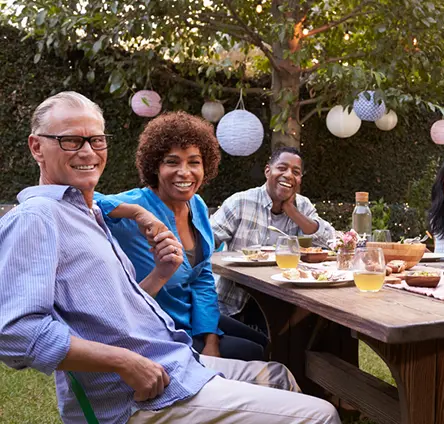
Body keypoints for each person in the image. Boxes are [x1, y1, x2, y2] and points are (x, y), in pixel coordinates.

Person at [0, 91, 340, 424]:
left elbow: (124, 305)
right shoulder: (38, 217)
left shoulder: (87, 216)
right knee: (321, 414)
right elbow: (16, 333)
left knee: (279, 373)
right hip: (140, 394)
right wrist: (125, 362)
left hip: (173, 359)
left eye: (96, 140)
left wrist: (163, 273)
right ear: (36, 147)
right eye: (71, 140)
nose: (88, 151)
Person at [95, 111, 268, 362]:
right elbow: (77, 197)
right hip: (159, 327)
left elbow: (202, 278)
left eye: (194, 162)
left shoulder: (195, 205)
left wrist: (210, 338)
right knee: (254, 352)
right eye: (172, 162)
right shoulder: (135, 205)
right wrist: (137, 213)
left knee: (264, 341)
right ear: (156, 166)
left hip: (193, 315)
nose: (184, 172)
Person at [210, 146, 335, 318]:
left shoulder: (303, 205)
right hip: (233, 303)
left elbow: (330, 242)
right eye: (282, 168)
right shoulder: (240, 203)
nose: (289, 175)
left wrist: (293, 212)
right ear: (268, 171)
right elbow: (205, 242)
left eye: (296, 172)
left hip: (285, 304)